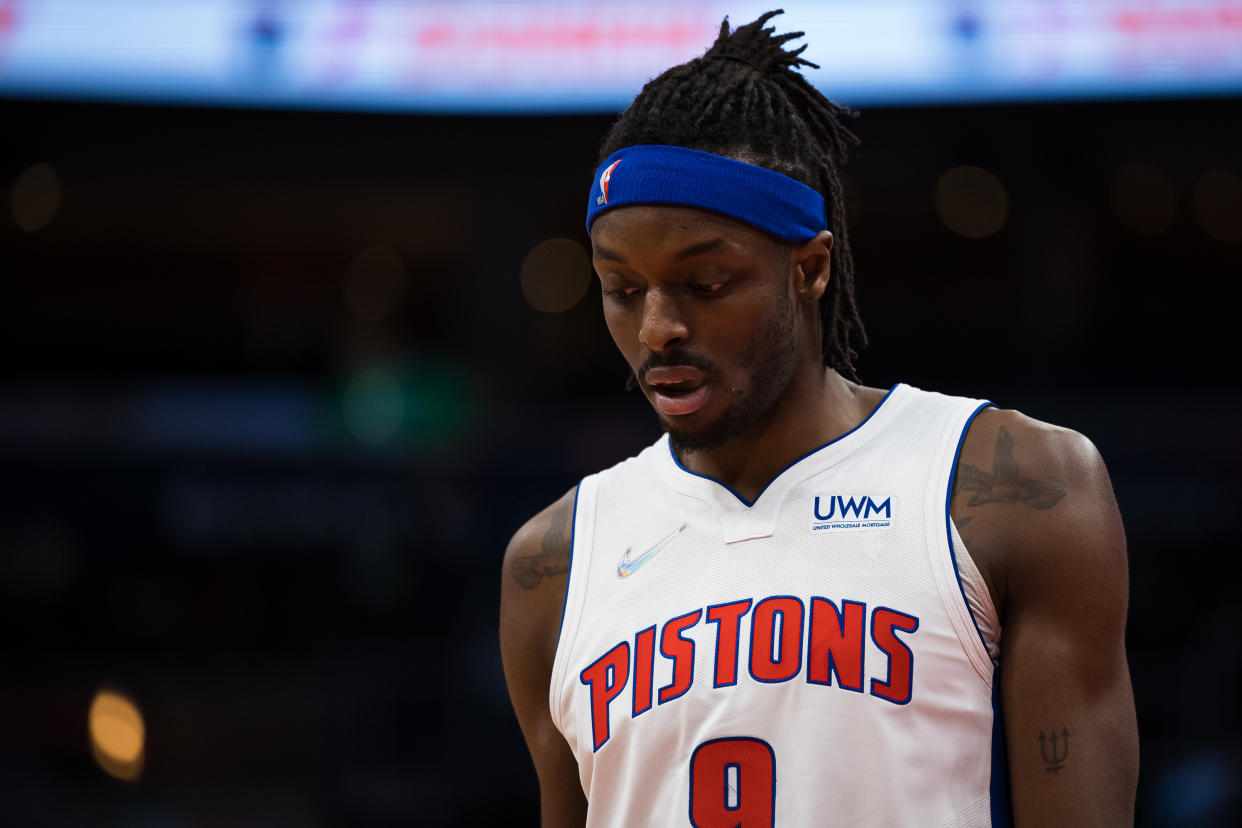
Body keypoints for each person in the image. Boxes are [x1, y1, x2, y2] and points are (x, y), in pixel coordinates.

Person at [499, 11, 1138, 827]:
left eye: (706, 283)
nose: (657, 327)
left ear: (810, 267)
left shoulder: (1016, 488)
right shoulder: (552, 563)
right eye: (623, 290)